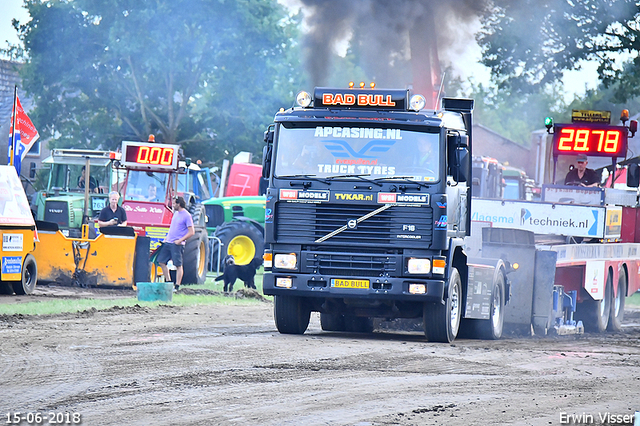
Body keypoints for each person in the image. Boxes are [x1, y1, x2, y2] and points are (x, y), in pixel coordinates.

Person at [157, 196, 194, 291]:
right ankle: (169, 282)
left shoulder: (187, 215)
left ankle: (177, 286)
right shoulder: (175, 214)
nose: (173, 205)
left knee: (178, 264)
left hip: (177, 244)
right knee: (161, 261)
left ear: (179, 204)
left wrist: (180, 240)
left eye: (174, 203)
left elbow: (191, 232)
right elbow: (172, 228)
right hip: (168, 242)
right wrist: (166, 238)